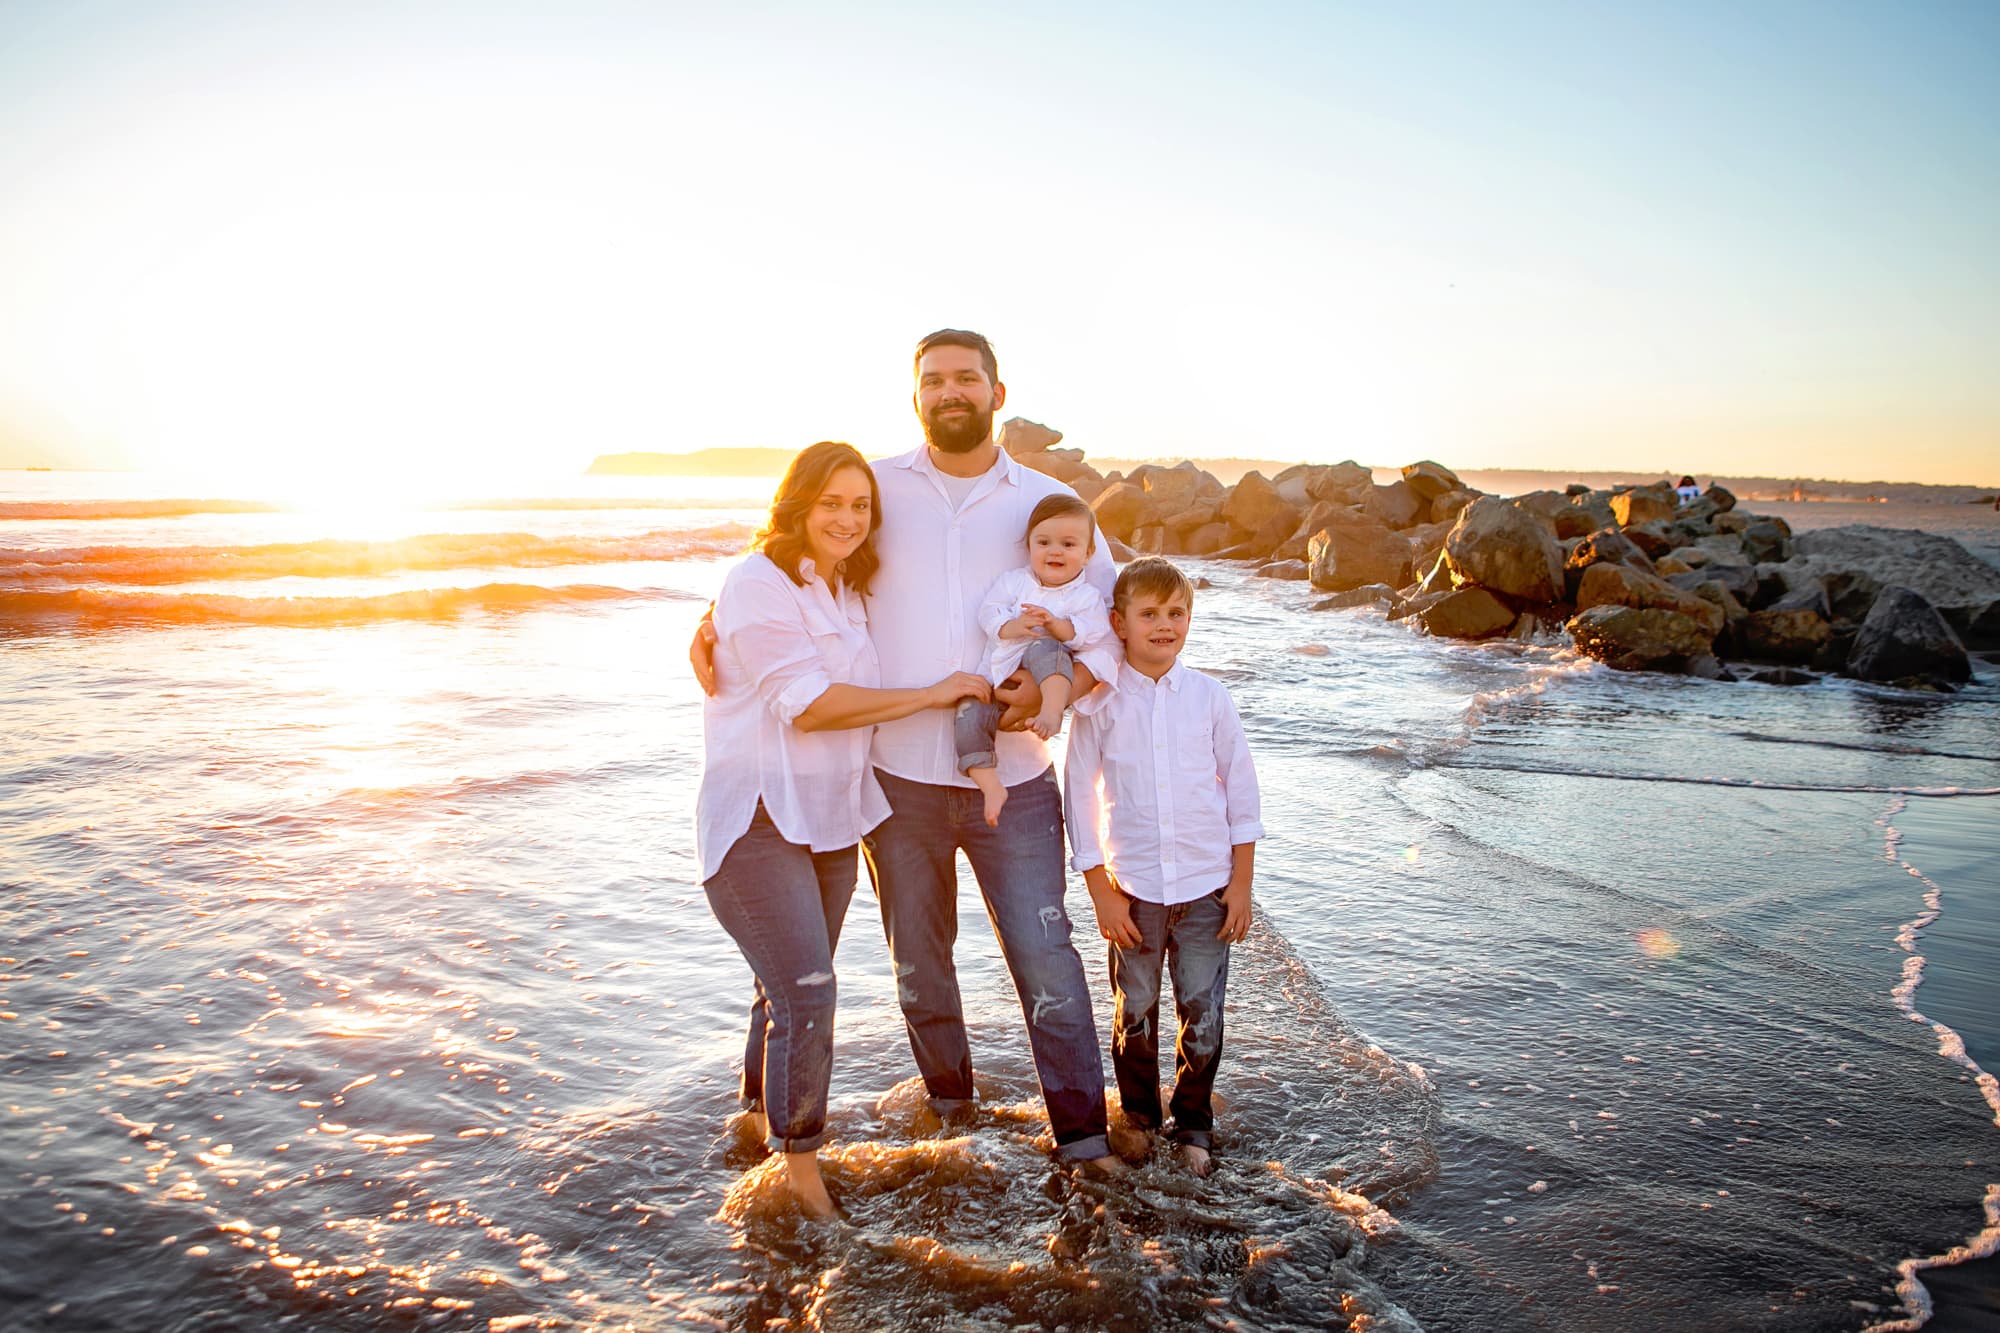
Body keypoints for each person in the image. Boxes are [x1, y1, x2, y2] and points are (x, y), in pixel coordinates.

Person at [691, 330, 1126, 1172]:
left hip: (1019, 779)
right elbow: (783, 564)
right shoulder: (877, 490)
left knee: (1046, 957)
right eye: (933, 381)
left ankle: (1083, 1139)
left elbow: (1113, 628)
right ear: (914, 395)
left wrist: (1056, 692)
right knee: (921, 968)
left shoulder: (1049, 501)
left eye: (967, 378)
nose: (949, 391)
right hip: (894, 782)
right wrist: (710, 628)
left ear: (999, 393)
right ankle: (951, 1115)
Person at [696, 440, 991, 1217]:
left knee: (782, 989)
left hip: (830, 822)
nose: (848, 518)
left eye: (861, 505)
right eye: (831, 501)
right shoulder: (755, 581)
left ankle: (755, 1120)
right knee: (810, 992)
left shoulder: (849, 590)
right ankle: (799, 1180)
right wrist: (930, 696)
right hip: (758, 816)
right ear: (797, 504)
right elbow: (811, 702)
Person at [1064, 556, 1263, 1177]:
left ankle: (1195, 1124)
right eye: (1149, 614)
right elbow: (1078, 795)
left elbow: (1242, 791)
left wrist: (1242, 884)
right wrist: (1101, 891)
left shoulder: (1209, 697)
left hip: (1208, 889)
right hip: (1136, 892)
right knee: (1136, 1008)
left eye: (1176, 613)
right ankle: (1141, 1118)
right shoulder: (1097, 704)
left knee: (1202, 1011)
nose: (1164, 625)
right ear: (1118, 622)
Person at [956, 493, 1113, 826]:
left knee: (1045, 647)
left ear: (1088, 554)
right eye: (1044, 542)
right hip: (999, 674)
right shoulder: (1014, 582)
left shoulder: (1085, 596)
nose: (1055, 551)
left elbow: (1094, 632)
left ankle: (1051, 712)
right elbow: (988, 611)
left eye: (1068, 545)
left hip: (1047, 672)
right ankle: (989, 784)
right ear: (1029, 546)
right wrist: (1011, 625)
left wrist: (1057, 626)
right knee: (968, 713)